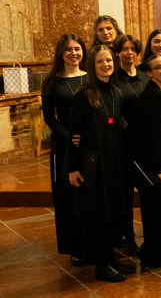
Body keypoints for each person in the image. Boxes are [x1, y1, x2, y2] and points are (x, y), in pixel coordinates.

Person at [67, 45, 132, 282]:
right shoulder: (84, 95)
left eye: (109, 61)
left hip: (113, 162)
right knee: (95, 217)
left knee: (110, 215)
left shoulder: (116, 92)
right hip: (91, 165)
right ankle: (101, 266)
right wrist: (72, 168)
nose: (106, 65)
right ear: (92, 67)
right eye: (100, 62)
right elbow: (73, 135)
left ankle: (110, 259)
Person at [41, 34, 89, 267]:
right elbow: (50, 118)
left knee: (90, 196)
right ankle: (75, 247)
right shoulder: (52, 81)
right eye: (68, 49)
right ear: (61, 53)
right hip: (65, 146)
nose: (73, 53)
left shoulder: (91, 78)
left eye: (77, 48)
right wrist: (70, 138)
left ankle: (95, 242)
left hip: (90, 144)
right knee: (67, 199)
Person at [134, 55, 161, 268]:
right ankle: (152, 255)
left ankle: (157, 255)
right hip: (144, 164)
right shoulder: (153, 96)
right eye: (159, 68)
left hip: (154, 162)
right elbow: (152, 137)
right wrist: (160, 169)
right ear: (150, 73)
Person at [113, 35, 148, 254]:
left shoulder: (146, 76)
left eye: (133, 49)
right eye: (124, 49)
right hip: (125, 142)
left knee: (148, 190)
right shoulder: (114, 79)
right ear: (117, 52)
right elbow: (116, 111)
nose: (129, 53)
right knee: (126, 193)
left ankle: (152, 233)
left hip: (148, 142)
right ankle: (129, 237)